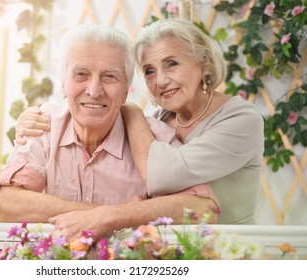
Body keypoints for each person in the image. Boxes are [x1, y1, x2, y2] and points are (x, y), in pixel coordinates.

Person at [15, 18, 264, 225]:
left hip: (230, 246)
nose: (161, 80)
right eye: (149, 71)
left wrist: (131, 110)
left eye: (172, 64)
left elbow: (165, 176)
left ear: (203, 65)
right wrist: (29, 122)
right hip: (180, 250)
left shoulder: (241, 120)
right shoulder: (161, 120)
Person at [0, 24, 220, 241]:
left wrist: (109, 217)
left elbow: (205, 208)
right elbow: (7, 204)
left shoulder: (154, 137)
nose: (94, 90)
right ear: (64, 85)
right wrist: (106, 212)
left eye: (110, 76)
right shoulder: (42, 125)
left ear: (125, 91)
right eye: (81, 74)